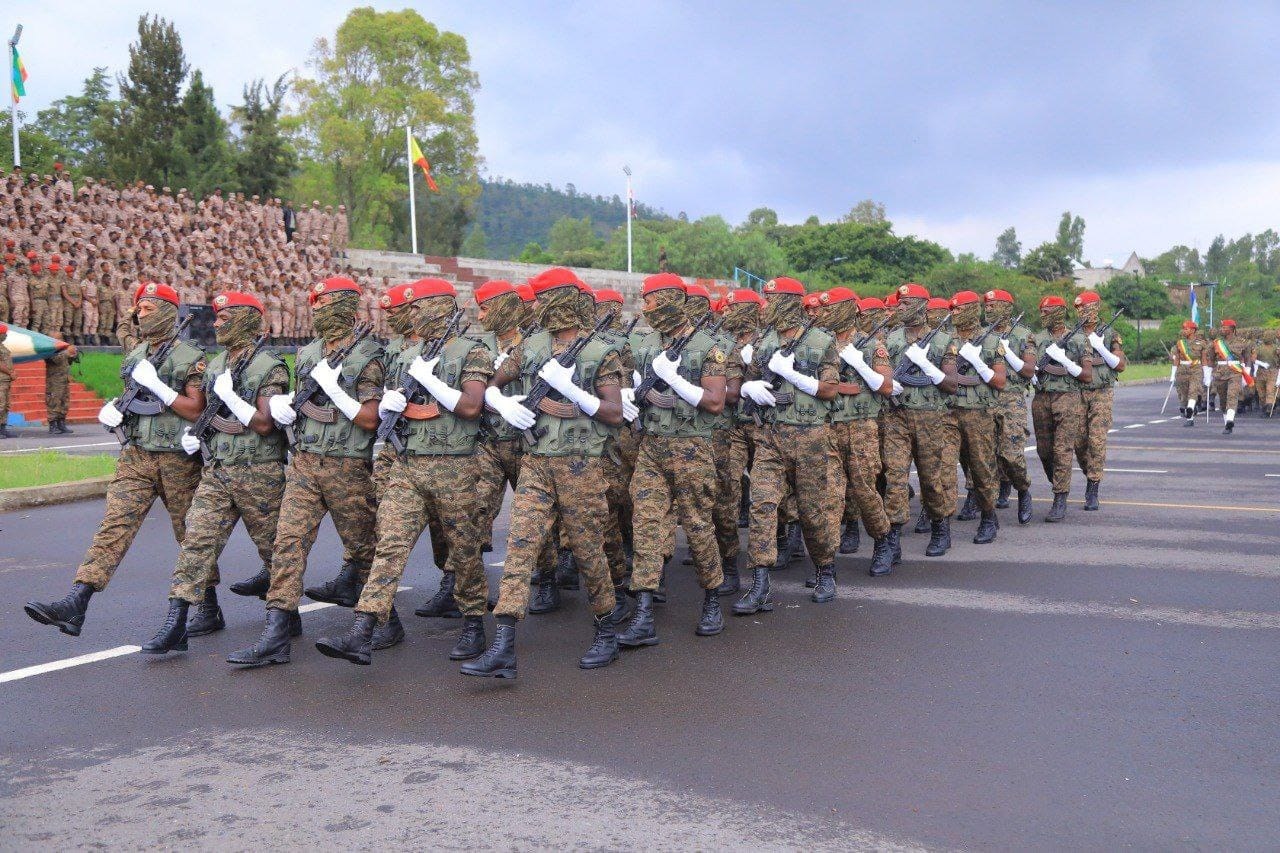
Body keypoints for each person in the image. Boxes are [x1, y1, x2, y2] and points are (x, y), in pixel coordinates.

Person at [314, 278, 494, 666]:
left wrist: (428, 379)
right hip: (408, 464)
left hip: (455, 466)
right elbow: (389, 410)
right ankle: (363, 630)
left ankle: (474, 623)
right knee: (390, 547)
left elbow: (470, 407)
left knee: (463, 552)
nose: (409, 316)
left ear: (438, 307)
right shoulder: (405, 354)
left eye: (416, 308)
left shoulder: (472, 351)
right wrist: (391, 404)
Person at [462, 267, 626, 678]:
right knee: (520, 547)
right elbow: (491, 385)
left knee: (589, 552)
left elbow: (614, 413)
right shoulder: (533, 345)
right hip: (535, 462)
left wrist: (571, 390)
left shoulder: (599, 351)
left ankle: (607, 628)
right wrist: (502, 404)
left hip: (580, 465)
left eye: (542, 297)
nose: (535, 306)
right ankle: (503, 644)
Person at [23, 283, 209, 637]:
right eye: (139, 308)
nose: (141, 314)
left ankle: (208, 605)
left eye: (149, 309)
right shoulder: (136, 353)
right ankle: (77, 601)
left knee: (189, 535)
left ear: (169, 312)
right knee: (114, 527)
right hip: (136, 455)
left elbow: (195, 407)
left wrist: (160, 387)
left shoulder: (190, 356)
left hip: (177, 460)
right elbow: (130, 396)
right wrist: (115, 409)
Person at [228, 277, 387, 667]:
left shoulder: (366, 355)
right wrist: (286, 409)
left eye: (324, 302)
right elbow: (302, 403)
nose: (315, 309)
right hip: (304, 461)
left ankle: (386, 620)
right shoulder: (309, 352)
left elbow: (370, 419)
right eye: (313, 303)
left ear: (346, 307)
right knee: (288, 544)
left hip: (346, 464)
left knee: (364, 548)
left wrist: (336, 392)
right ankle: (276, 631)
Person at [139, 291, 289, 654]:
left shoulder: (269, 366)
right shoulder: (217, 364)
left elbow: (265, 424)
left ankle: (285, 621)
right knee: (196, 543)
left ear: (245, 320)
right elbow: (205, 413)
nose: (217, 324)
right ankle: (176, 622)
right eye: (217, 318)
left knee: (274, 552)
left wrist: (234, 398)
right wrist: (195, 433)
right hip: (218, 469)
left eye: (225, 318)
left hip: (260, 471)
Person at [617, 273, 728, 646]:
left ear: (666, 300)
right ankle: (644, 612)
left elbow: (715, 401)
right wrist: (630, 391)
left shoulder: (705, 346)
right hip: (652, 445)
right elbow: (621, 374)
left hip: (691, 446)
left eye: (649, 300)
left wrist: (675, 380)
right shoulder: (644, 342)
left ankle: (712, 596)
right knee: (646, 524)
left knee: (698, 527)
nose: (645, 307)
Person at [737, 276, 840, 610]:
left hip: (810, 436)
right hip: (770, 436)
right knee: (762, 505)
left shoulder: (822, 340)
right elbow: (750, 379)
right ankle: (760, 583)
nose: (767, 306)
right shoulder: (765, 340)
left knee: (812, 512)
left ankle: (825, 569)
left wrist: (793, 374)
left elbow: (829, 390)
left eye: (774, 299)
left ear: (791, 302)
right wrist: (748, 389)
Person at [826, 288, 896, 576]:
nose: (825, 314)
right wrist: (842, 387)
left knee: (865, 490)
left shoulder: (872, 347)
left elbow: (886, 386)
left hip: (861, 427)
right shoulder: (823, 344)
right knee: (830, 494)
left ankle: (883, 540)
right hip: (829, 426)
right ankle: (825, 564)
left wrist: (858, 364)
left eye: (832, 308)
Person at [947, 290, 1008, 543]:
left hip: (979, 414)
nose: (954, 314)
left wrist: (979, 365)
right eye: (953, 309)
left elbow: (1000, 381)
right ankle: (941, 524)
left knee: (982, 468)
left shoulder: (992, 342)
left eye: (959, 309)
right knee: (944, 469)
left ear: (972, 310)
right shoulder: (944, 340)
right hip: (947, 412)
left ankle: (988, 517)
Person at [1032, 295, 1093, 522]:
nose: (1042, 316)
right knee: (1044, 450)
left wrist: (1065, 362)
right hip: (1041, 398)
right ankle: (1057, 480)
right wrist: (1031, 374)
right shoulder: (1036, 338)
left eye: (1046, 312)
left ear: (1058, 313)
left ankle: (1060, 496)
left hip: (1068, 398)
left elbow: (1087, 375)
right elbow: (1028, 366)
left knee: (1062, 450)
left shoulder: (1078, 339)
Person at [983, 289, 1037, 524]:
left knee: (1012, 454)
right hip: (984, 398)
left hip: (1011, 398)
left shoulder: (1024, 335)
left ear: (1007, 308)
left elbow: (1028, 371)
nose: (988, 309)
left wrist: (1008, 352)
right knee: (985, 455)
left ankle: (1023, 490)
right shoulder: (981, 335)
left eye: (994, 305)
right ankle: (986, 506)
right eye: (986, 305)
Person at [1073, 291, 1125, 510]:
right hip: (1076, 392)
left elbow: (1120, 365)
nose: (1079, 312)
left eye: (1082, 307)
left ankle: (1093, 486)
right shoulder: (1071, 334)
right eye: (1076, 308)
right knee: (1079, 441)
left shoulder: (1110, 332)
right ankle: (1090, 472)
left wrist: (1101, 346)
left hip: (1102, 392)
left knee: (1096, 440)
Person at [1206, 319, 1248, 434]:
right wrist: (1208, 373)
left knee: (1232, 395)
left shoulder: (1242, 342)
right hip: (1220, 373)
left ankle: (1230, 419)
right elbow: (1210, 358)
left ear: (1232, 329)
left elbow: (1246, 357)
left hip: (1235, 372)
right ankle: (1227, 424)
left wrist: (1246, 372)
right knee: (1223, 400)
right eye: (1222, 327)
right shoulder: (1216, 343)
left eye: (1225, 327)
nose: (1222, 329)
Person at [0, 323, 12, 438]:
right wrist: (10, 372)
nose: (5, 336)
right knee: (1, 404)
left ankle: (3, 428)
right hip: (1, 380)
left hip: (6, 380)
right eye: (4, 334)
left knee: (6, 405)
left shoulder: (3, 347)